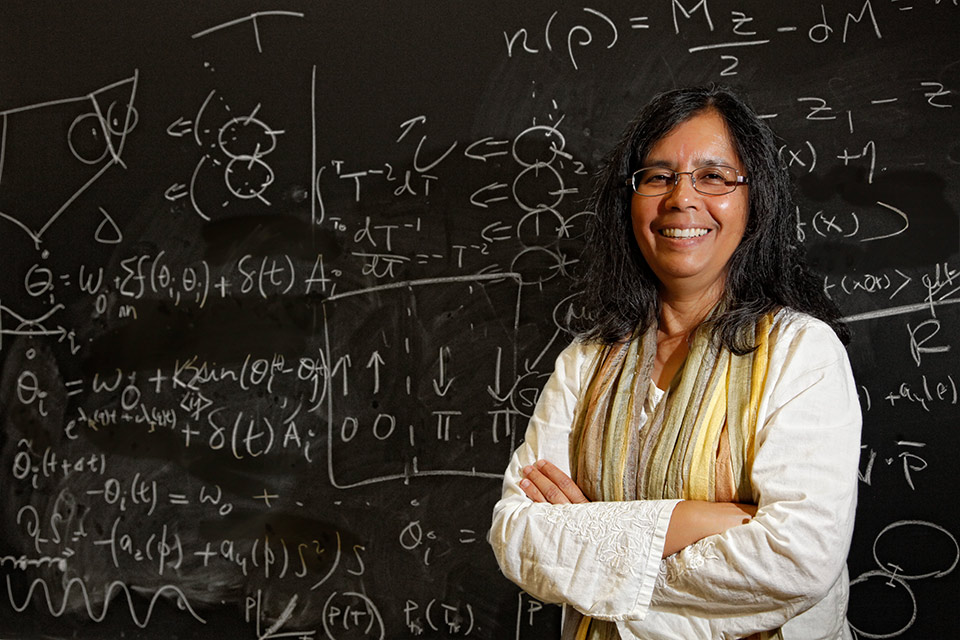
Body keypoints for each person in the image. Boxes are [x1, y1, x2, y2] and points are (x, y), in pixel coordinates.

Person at [488, 86, 862, 640]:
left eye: (714, 176)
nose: (681, 198)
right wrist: (700, 520)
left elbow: (795, 560)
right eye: (658, 176)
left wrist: (591, 548)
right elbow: (517, 537)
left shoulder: (801, 352)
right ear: (631, 199)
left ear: (756, 202)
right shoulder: (584, 363)